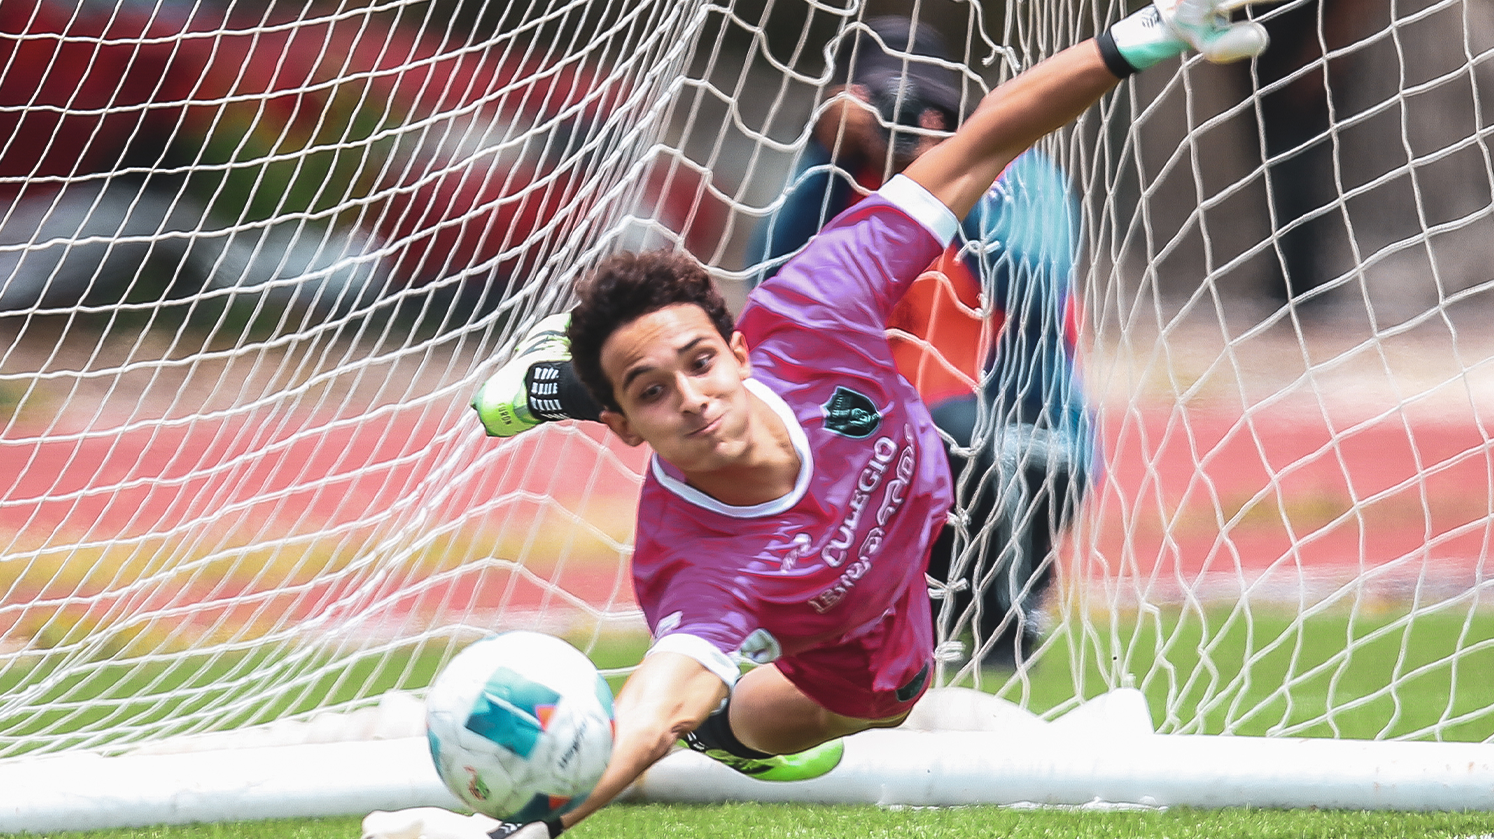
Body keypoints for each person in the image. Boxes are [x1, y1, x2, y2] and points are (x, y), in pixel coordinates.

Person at [367, 3, 1269, 837]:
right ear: (631, 429)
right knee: (807, 714)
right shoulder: (698, 568)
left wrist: (1150, 33)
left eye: (701, 362)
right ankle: (576, 387)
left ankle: (571, 377)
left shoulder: (817, 304)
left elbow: (987, 138)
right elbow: (647, 719)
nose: (691, 395)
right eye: (650, 392)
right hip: (855, 656)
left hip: (919, 493)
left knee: (958, 444)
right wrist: (510, 832)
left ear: (742, 351)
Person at [747, 16, 1094, 667]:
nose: (908, 126)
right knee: (782, 418)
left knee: (954, 428)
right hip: (875, 427)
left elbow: (1039, 286)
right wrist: (824, 159)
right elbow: (767, 284)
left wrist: (944, 185)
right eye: (888, 109)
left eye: (924, 108)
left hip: (1023, 433)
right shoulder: (840, 184)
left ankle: (1004, 620)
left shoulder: (1014, 173)